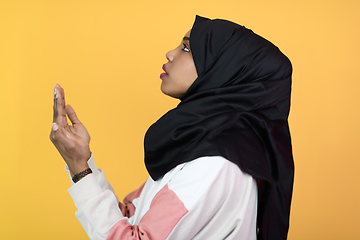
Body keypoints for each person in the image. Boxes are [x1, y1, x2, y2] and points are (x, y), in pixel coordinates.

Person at [50, 16, 294, 240]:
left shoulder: (215, 164)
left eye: (187, 48)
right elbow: (130, 220)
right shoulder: (202, 147)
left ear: (223, 70)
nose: (170, 53)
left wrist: (79, 167)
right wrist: (82, 161)